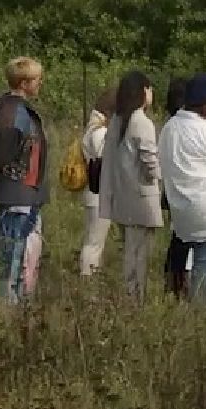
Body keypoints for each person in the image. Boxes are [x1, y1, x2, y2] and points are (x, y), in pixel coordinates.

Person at [0, 56, 50, 303]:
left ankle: (13, 309)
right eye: (37, 79)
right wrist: (9, 172)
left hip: (18, 195)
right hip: (19, 196)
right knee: (15, 259)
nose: (40, 84)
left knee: (14, 256)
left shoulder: (6, 109)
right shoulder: (15, 114)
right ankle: (10, 314)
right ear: (24, 83)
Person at [157, 73, 206, 303]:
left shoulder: (169, 128)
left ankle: (194, 314)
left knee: (193, 264)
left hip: (181, 210)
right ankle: (203, 321)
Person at [97, 70, 162, 299]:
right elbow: (150, 162)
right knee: (140, 254)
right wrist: (162, 176)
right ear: (143, 91)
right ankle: (135, 298)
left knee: (130, 251)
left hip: (122, 197)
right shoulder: (141, 122)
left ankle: (130, 295)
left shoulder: (117, 120)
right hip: (142, 198)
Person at [78, 87, 116, 277]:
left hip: (96, 193)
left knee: (95, 240)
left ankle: (90, 273)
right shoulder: (99, 131)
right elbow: (104, 156)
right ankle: (87, 276)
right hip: (97, 194)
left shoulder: (95, 128)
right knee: (94, 242)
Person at [161, 77, 192, 297]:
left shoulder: (168, 128)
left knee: (178, 236)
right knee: (186, 240)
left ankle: (174, 281)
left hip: (173, 192)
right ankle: (181, 282)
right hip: (189, 191)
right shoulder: (187, 127)